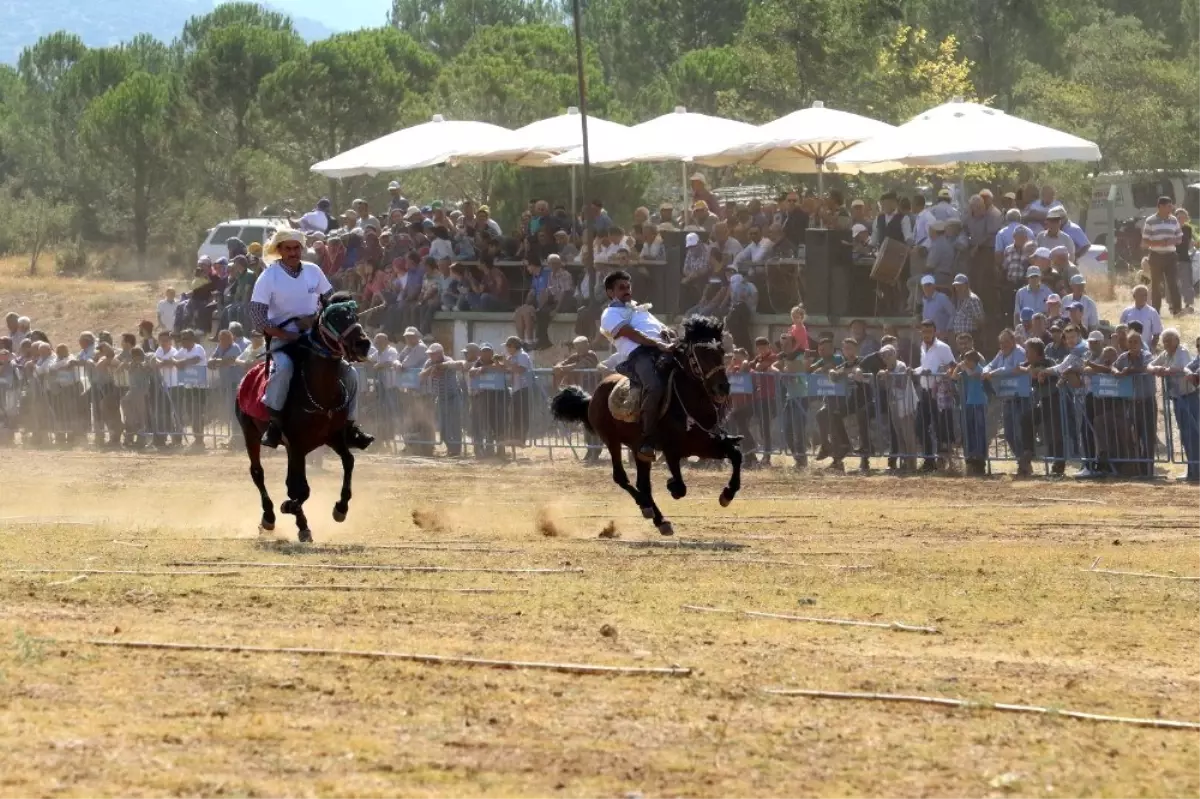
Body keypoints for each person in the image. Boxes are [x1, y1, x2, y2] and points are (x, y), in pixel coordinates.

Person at [248, 229, 372, 450]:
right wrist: (289, 334)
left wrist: (314, 319)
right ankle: (274, 425)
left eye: (297, 248)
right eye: (288, 248)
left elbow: (332, 305)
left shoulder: (314, 271)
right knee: (284, 368)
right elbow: (258, 320)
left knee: (350, 373)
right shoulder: (268, 277)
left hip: (315, 339)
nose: (293, 252)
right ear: (279, 250)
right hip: (284, 340)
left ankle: (350, 426)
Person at [599, 270, 673, 461]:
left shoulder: (640, 309)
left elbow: (661, 328)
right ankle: (648, 440)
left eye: (628, 287)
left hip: (664, 349)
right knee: (654, 386)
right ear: (610, 292)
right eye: (621, 287)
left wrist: (671, 336)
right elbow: (630, 333)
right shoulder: (609, 313)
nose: (627, 290)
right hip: (639, 355)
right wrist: (657, 344)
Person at [1151, 329, 1199, 481]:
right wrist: (1158, 369)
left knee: (1193, 434)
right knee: (1185, 435)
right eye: (1164, 341)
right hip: (1177, 398)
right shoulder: (1165, 354)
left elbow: (1186, 368)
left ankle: (1196, 469)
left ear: (1176, 341)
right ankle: (1192, 469)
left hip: (1189, 397)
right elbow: (1150, 365)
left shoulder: (1182, 352)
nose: (1165, 344)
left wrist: (1172, 370)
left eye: (1169, 340)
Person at [1142, 195, 1184, 315]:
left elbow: (1180, 237)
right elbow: (1145, 240)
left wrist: (1173, 241)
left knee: (1173, 284)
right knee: (1156, 285)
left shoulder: (1173, 220)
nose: (1171, 208)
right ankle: (1156, 311)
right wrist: (1160, 243)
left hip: (1171, 256)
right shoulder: (1150, 221)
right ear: (1160, 206)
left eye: (1171, 206)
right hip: (1156, 256)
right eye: (1168, 206)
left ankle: (1177, 310)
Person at [1119, 285, 1164, 351]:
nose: (1143, 297)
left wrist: (1151, 349)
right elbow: (1121, 331)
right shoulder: (1126, 312)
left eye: (1145, 295)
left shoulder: (1152, 312)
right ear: (1134, 296)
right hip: (1128, 350)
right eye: (1140, 295)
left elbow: (1156, 334)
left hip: (1145, 349)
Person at [1175, 208, 1196, 313]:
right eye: (1179, 217)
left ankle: (1188, 304)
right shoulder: (1172, 227)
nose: (1181, 219)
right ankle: (1174, 305)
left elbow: (1189, 242)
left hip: (1185, 259)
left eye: (1184, 217)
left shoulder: (1188, 228)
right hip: (1173, 259)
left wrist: (1192, 246)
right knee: (1173, 283)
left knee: (1187, 282)